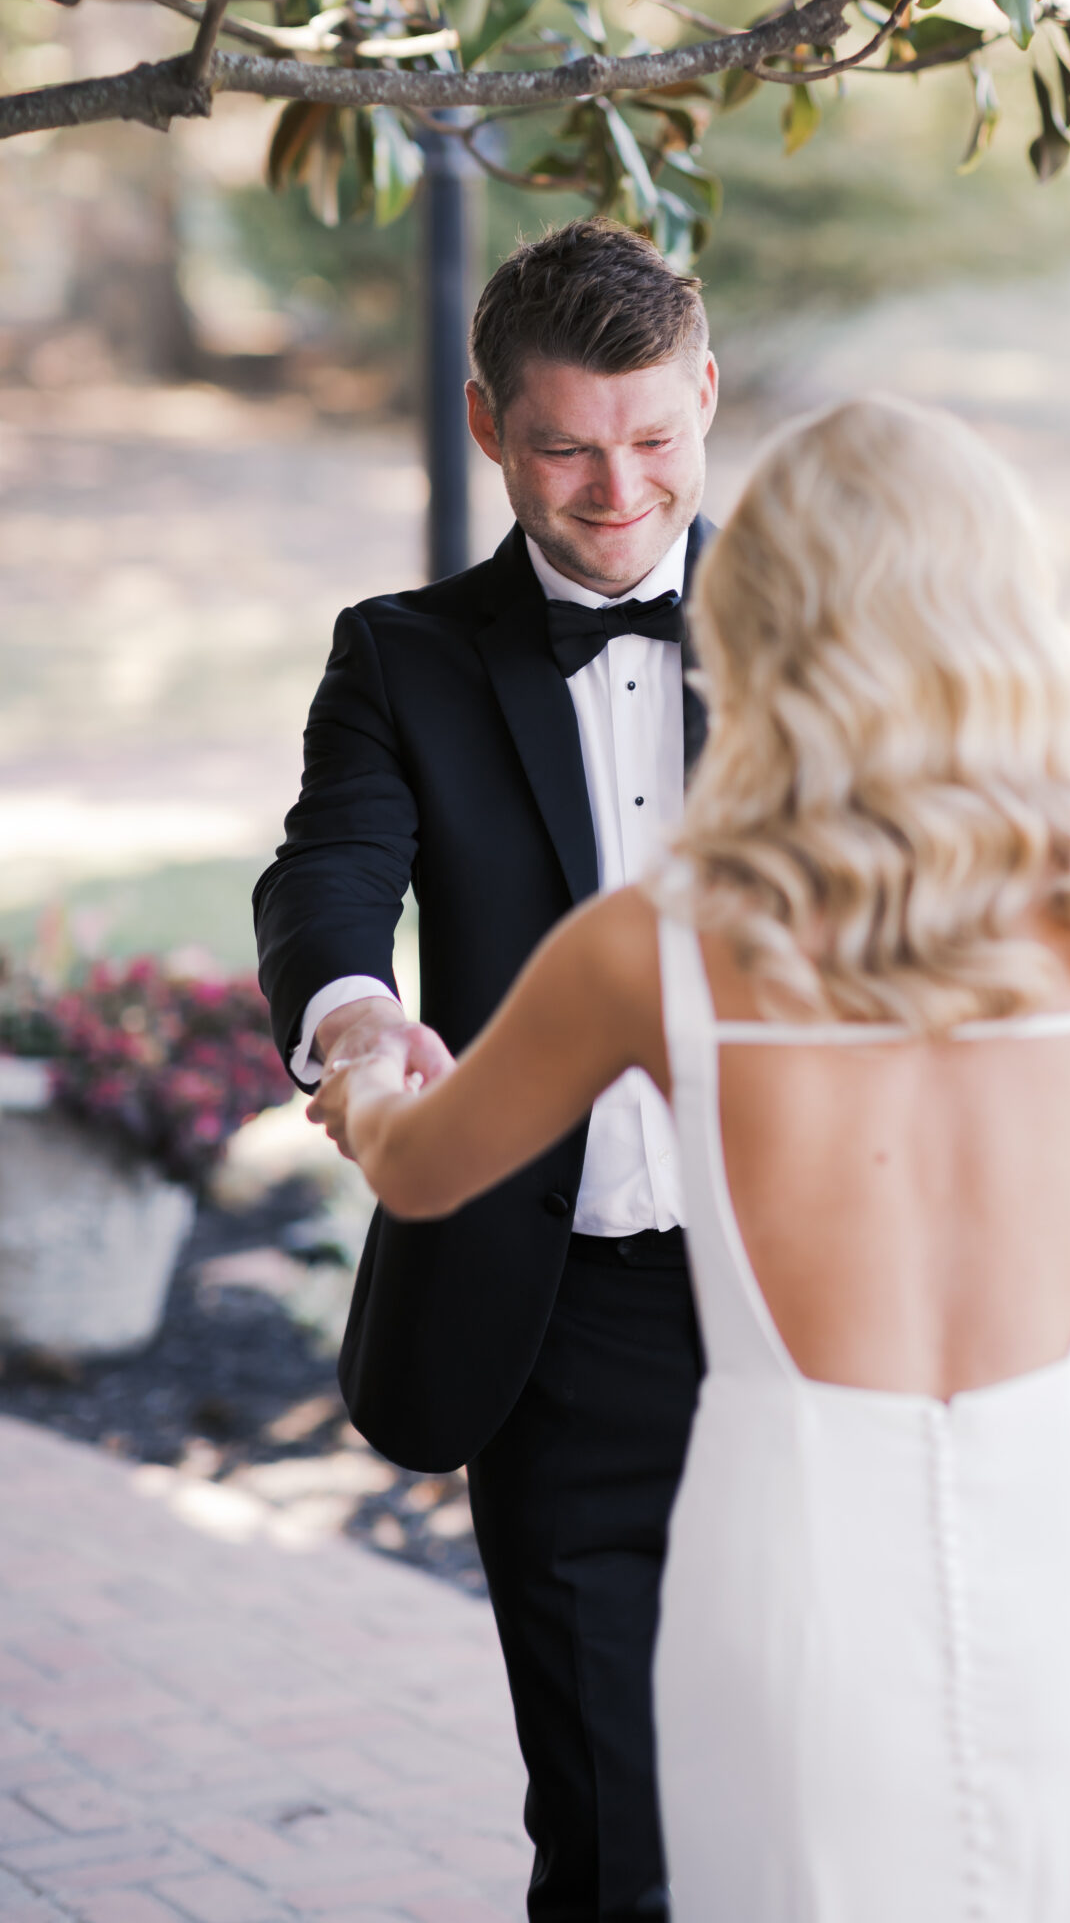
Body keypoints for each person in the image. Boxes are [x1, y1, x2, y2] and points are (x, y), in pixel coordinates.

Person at [308, 394, 1070, 1923]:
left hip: (797, 1541)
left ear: (758, 622)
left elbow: (425, 1170)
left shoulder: (654, 943)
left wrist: (369, 1074)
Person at [253, 222, 720, 1923]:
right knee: (617, 1835)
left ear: (709, 397)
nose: (617, 491)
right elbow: (326, 875)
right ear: (485, 427)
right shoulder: (402, 655)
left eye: (655, 438)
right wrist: (362, 1025)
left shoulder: (823, 629)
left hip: (815, 1295)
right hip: (564, 1308)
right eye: (566, 446)